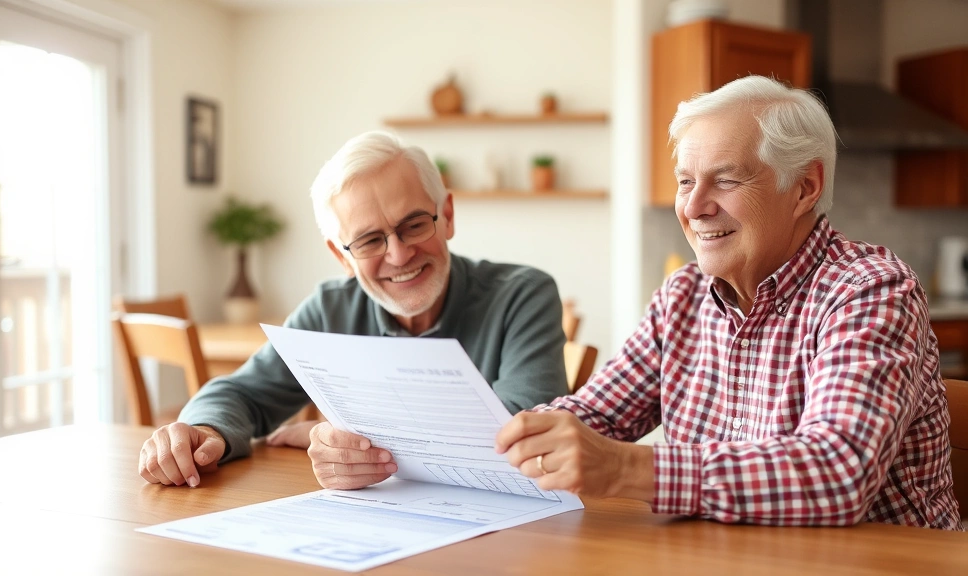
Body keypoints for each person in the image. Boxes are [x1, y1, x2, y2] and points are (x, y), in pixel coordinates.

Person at [494, 75, 962, 530]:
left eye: (725, 180)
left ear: (804, 187)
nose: (694, 206)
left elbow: (837, 473)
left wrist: (623, 467)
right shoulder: (682, 296)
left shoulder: (870, 291)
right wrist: (498, 437)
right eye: (685, 181)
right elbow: (592, 417)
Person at [138, 131, 568, 489]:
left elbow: (524, 430)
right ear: (341, 256)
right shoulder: (329, 309)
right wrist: (203, 431)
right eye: (368, 240)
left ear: (447, 216)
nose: (399, 254)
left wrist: (336, 434)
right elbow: (241, 393)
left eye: (414, 224)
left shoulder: (523, 295)